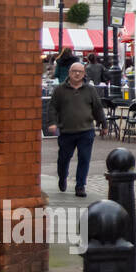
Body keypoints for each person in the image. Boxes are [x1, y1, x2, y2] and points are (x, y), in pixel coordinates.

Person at [47, 61, 107, 197]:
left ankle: (80, 186)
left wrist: (103, 124)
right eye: (74, 71)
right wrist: (52, 122)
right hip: (66, 131)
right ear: (69, 73)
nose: (77, 74)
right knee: (63, 158)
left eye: (80, 71)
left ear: (84, 73)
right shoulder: (60, 90)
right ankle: (62, 177)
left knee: (84, 158)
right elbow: (52, 107)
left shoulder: (90, 90)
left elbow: (97, 108)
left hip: (86, 131)